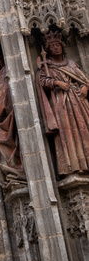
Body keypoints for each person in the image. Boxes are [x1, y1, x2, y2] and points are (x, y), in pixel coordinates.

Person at [36, 30, 89, 176]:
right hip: (61, 103)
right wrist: (56, 82)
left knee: (85, 130)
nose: (56, 47)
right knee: (68, 134)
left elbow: (85, 80)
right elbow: (42, 81)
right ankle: (74, 166)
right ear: (47, 49)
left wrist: (85, 87)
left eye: (58, 44)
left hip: (79, 101)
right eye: (52, 46)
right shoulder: (47, 67)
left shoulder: (71, 63)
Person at [0, 52, 26, 189]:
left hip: (7, 116)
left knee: (12, 139)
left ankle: (18, 170)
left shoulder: (4, 73)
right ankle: (12, 172)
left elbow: (4, 95)